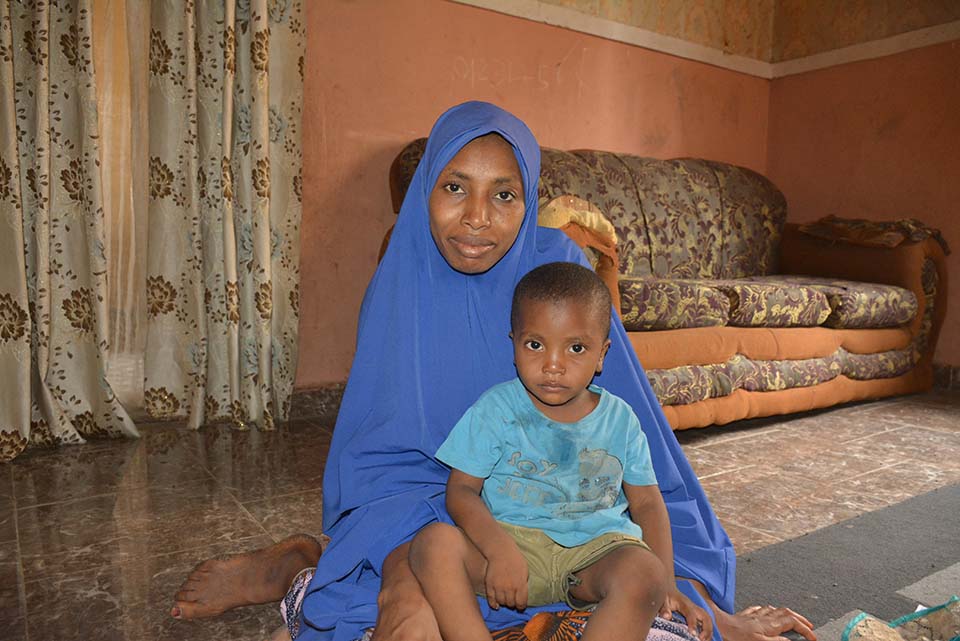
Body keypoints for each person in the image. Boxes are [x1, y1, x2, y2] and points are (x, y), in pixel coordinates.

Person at [171, 101, 817, 641]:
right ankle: (300, 561)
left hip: (538, 505)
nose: (477, 217)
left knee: (612, 587)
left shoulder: (559, 269)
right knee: (410, 601)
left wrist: (710, 611)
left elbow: (637, 447)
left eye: (503, 194)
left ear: (528, 195)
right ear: (427, 189)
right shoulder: (403, 271)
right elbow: (377, 455)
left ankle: (308, 560)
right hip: (425, 499)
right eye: (455, 187)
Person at [409, 261, 707, 641]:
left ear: (602, 354)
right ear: (514, 342)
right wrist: (499, 550)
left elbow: (647, 503)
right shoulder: (496, 409)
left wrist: (668, 582)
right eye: (535, 344)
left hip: (594, 553)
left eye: (576, 348)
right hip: (510, 544)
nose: (552, 365)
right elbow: (461, 491)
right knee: (432, 546)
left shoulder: (620, 419)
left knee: (646, 574)